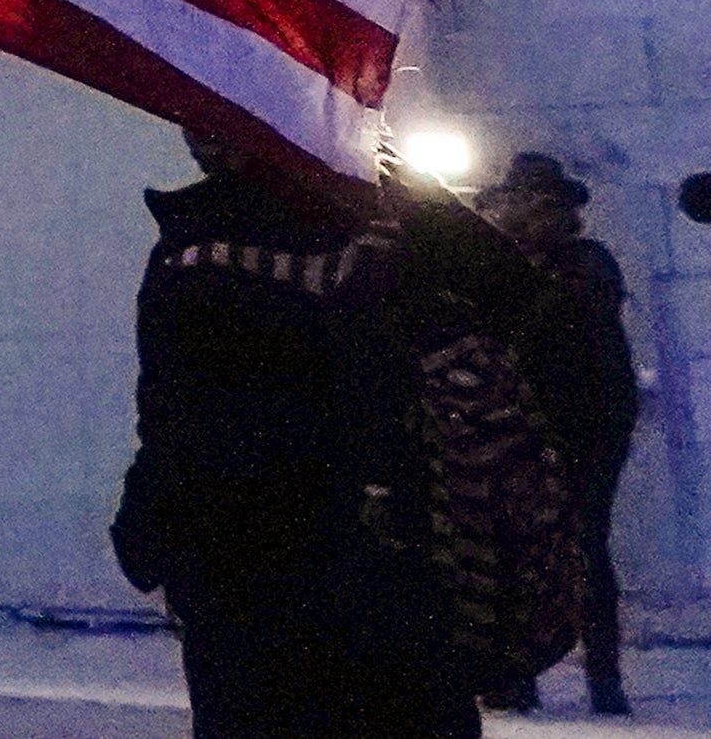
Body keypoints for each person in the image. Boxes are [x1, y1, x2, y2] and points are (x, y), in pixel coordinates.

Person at [111, 133, 555, 739]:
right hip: (409, 563)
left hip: (256, 583)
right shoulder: (400, 227)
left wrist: (148, 536)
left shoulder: (201, 251)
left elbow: (178, 428)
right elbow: (518, 293)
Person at [478, 154, 638, 715]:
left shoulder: (586, 265)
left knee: (585, 546)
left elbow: (545, 319)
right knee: (517, 551)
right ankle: (518, 677)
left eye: (541, 205)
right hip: (526, 419)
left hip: (586, 421)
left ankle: (604, 678)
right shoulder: (513, 263)